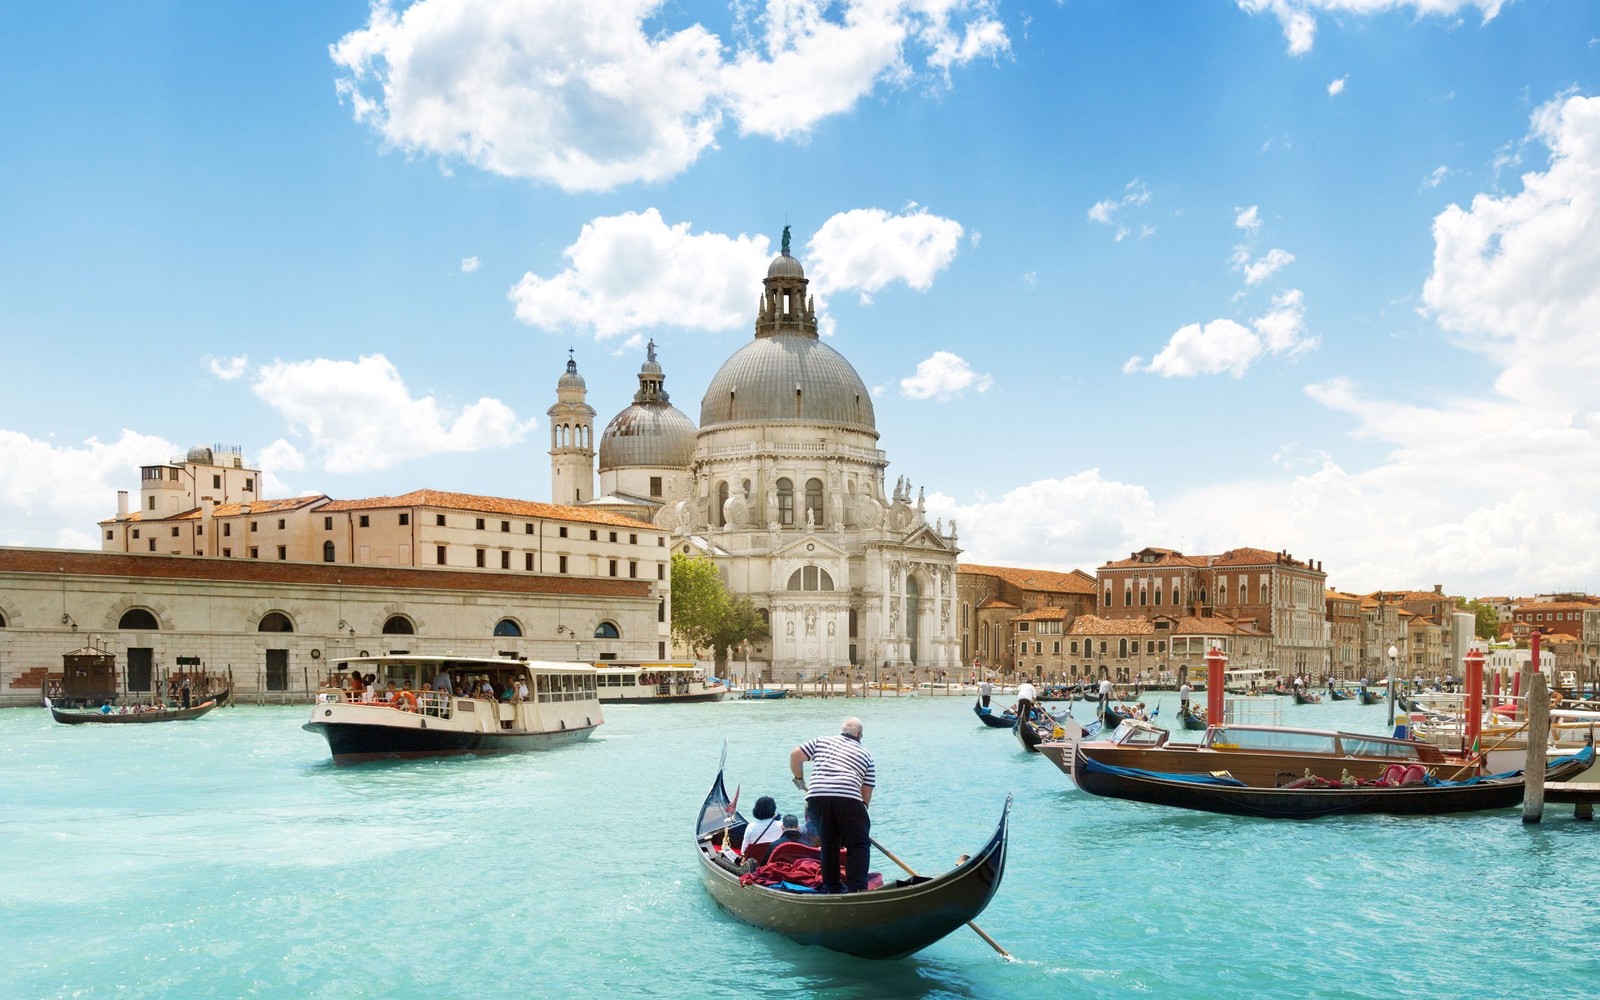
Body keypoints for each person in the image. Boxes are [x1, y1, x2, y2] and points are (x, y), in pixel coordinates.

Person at [790, 717, 875, 894]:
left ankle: (833, 887)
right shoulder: (866, 754)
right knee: (858, 843)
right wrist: (862, 810)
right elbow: (866, 789)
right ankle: (857, 888)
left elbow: (795, 755)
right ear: (859, 735)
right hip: (849, 799)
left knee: (829, 844)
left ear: (841, 731)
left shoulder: (821, 741)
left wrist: (800, 779)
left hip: (817, 798)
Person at [738, 795, 783, 863]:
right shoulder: (782, 825)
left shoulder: (751, 827)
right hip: (774, 863)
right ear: (774, 810)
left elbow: (743, 851)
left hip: (756, 864)